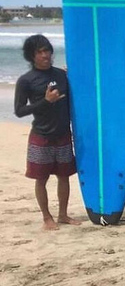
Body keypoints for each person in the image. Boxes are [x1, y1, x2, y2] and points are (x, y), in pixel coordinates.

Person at [14, 34, 80, 231]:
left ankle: (63, 215)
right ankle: (46, 217)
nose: (45, 55)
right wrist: (45, 101)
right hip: (41, 136)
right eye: (40, 52)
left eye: (47, 50)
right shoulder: (26, 81)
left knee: (64, 176)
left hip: (63, 134)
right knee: (41, 179)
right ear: (31, 56)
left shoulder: (61, 75)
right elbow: (19, 111)